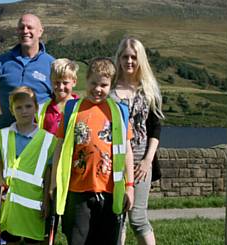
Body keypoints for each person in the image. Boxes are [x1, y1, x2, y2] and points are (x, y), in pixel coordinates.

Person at [51, 57, 135, 244]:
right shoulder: (73, 109)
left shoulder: (119, 112)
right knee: (78, 240)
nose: (98, 89)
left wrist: (130, 186)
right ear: (85, 80)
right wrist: (53, 183)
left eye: (103, 85)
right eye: (93, 83)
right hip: (77, 190)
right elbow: (60, 147)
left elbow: (127, 151)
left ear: (111, 85)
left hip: (110, 190)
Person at [111, 37, 164, 245]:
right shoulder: (110, 88)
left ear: (140, 59)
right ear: (119, 58)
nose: (129, 61)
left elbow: (156, 129)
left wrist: (147, 160)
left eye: (134, 57)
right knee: (118, 217)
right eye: (125, 56)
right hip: (115, 160)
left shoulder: (149, 89)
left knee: (137, 218)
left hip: (141, 160)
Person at [0, 86, 56, 245]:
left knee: (34, 240)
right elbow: (1, 163)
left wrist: (46, 201)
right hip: (10, 203)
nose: (24, 111)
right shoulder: (4, 135)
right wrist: (0, 181)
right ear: (11, 110)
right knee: (11, 239)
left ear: (36, 107)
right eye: (19, 107)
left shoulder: (47, 140)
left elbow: (48, 172)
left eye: (28, 106)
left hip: (35, 203)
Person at [0, 13, 55, 129]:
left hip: (38, 136)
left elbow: (58, 101)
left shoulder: (51, 64)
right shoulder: (1, 62)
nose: (25, 31)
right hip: (5, 134)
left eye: (30, 27)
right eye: (21, 28)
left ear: (40, 32)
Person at [37, 58, 80, 134]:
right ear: (50, 81)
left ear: (74, 82)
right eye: (56, 82)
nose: (61, 87)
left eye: (65, 83)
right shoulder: (42, 110)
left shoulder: (80, 107)